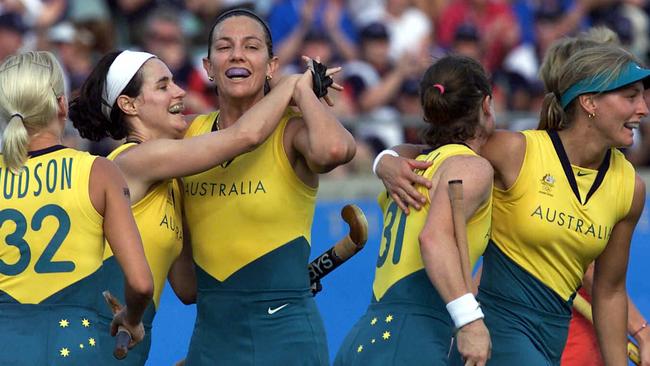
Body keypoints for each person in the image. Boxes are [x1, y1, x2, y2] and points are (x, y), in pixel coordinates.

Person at [375, 43, 649, 365]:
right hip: (496, 331)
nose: (643, 108)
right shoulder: (514, 151)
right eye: (630, 97)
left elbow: (610, 292)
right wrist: (385, 160)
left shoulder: (630, 187)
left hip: (552, 340)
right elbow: (434, 151)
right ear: (589, 102)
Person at [69, 46, 315, 364]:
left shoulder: (171, 181)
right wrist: (291, 85)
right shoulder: (137, 159)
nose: (179, 91)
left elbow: (188, 288)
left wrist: (282, 282)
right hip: (95, 338)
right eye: (162, 85)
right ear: (128, 105)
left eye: (174, 81)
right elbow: (246, 135)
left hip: (127, 344)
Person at [182, 8, 356, 365]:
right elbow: (186, 289)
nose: (237, 55)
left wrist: (301, 89)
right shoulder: (188, 133)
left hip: (285, 336)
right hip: (211, 337)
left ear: (272, 66)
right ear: (207, 66)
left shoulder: (290, 129)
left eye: (251, 47)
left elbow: (335, 150)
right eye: (224, 47)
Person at [334, 55, 494, 365]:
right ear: (486, 105)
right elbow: (433, 240)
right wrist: (470, 321)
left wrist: (383, 160)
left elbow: (395, 154)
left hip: (365, 335)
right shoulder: (470, 167)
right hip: (412, 338)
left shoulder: (409, 164)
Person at [0, 51, 153, 364]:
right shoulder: (99, 171)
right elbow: (140, 283)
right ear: (61, 104)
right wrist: (132, 318)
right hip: (73, 341)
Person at [537, 30, 650, 366]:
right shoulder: (536, 155)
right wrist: (642, 332)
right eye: (624, 92)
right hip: (561, 331)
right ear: (587, 99)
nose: (639, 107)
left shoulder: (613, 165)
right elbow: (585, 265)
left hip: (586, 324)